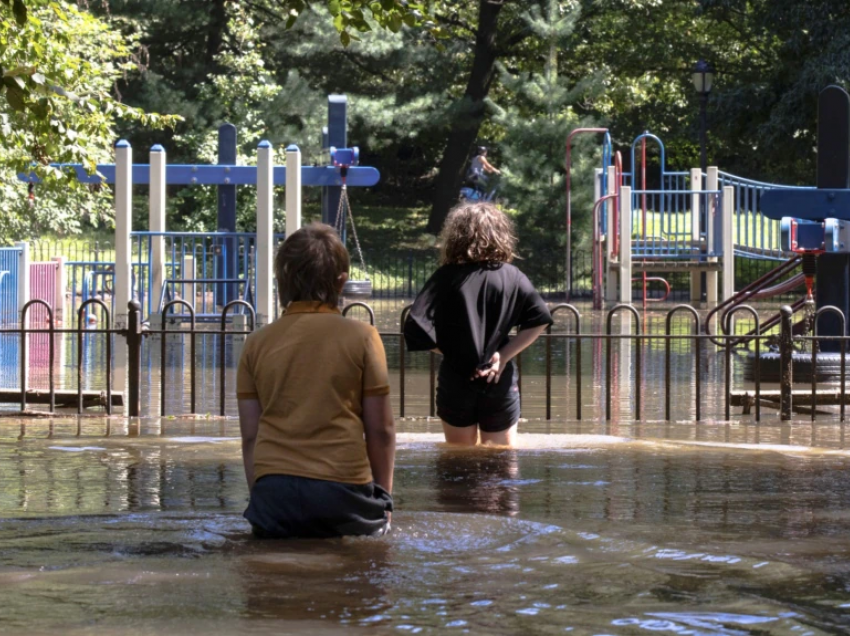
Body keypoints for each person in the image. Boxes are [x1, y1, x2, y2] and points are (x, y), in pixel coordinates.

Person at [236, 222, 395, 539]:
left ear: (281, 282)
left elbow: (251, 437)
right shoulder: (363, 337)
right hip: (342, 490)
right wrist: (384, 503)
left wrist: (262, 498)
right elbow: (381, 430)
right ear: (342, 282)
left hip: (273, 493)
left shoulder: (255, 344)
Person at [403, 202, 553, 447]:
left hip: (456, 378)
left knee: (458, 462)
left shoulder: (445, 276)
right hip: (498, 379)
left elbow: (415, 327)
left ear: (456, 236)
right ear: (500, 235)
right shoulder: (512, 276)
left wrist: (453, 353)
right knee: (501, 463)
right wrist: (503, 356)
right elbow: (540, 319)